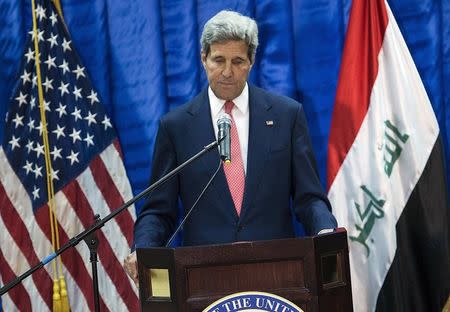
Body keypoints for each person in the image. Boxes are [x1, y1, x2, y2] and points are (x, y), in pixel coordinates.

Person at [124, 10, 337, 285]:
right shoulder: (176, 127)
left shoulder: (287, 116)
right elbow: (158, 211)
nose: (227, 72)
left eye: (237, 61)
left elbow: (309, 198)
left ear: (251, 61)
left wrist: (325, 233)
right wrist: (143, 248)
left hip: (277, 273)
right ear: (203, 59)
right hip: (204, 278)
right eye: (218, 60)